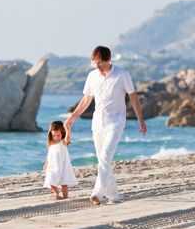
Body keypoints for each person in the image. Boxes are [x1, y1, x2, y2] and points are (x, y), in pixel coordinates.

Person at [65, 46, 147, 206]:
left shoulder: (122, 75)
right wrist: (72, 118)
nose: (97, 66)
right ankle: (114, 195)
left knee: (105, 157)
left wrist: (140, 119)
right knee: (103, 160)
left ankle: (97, 193)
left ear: (108, 60)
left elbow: (133, 97)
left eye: (100, 63)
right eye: (94, 63)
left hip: (116, 123)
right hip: (97, 124)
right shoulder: (92, 76)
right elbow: (86, 100)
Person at [43, 121, 78, 200]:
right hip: (52, 166)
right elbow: (49, 154)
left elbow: (68, 137)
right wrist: (46, 163)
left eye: (58, 135)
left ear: (62, 133)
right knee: (50, 180)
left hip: (63, 166)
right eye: (53, 135)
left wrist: (68, 128)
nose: (56, 137)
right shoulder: (51, 143)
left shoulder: (63, 142)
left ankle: (65, 197)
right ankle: (56, 194)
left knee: (64, 183)